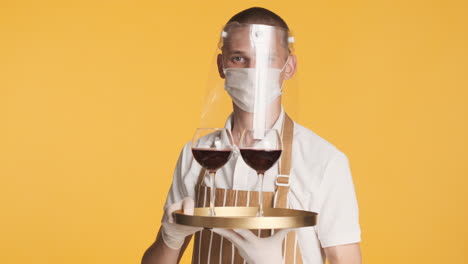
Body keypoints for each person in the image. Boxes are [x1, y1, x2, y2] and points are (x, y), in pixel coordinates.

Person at [142, 7, 362, 264]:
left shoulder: (323, 160)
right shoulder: (198, 154)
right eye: (238, 58)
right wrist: (169, 239)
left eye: (267, 59)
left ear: (288, 67)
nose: (253, 70)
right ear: (221, 66)